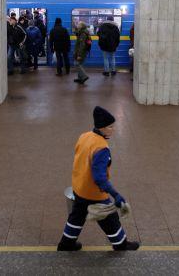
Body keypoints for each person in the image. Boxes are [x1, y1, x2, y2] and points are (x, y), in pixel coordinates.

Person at [57, 106, 140, 252]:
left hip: (79, 187)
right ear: (102, 128)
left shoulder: (84, 136)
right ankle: (121, 244)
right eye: (110, 127)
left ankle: (66, 244)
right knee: (110, 218)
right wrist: (116, 195)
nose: (113, 129)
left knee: (76, 216)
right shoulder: (101, 148)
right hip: (94, 193)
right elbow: (100, 178)